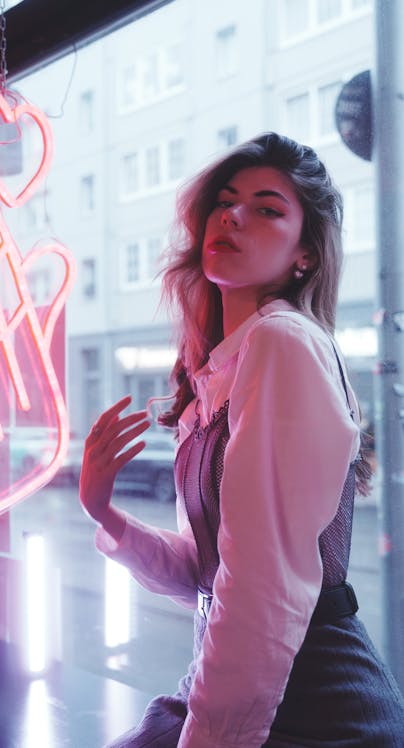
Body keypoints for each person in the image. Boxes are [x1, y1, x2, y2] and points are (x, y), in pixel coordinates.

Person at [79, 132, 404, 747]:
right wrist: (105, 514)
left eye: (267, 209)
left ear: (304, 255)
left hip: (316, 708)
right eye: (226, 202)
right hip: (236, 688)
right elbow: (208, 575)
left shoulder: (283, 341)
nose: (232, 215)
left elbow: (260, 590)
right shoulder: (222, 370)